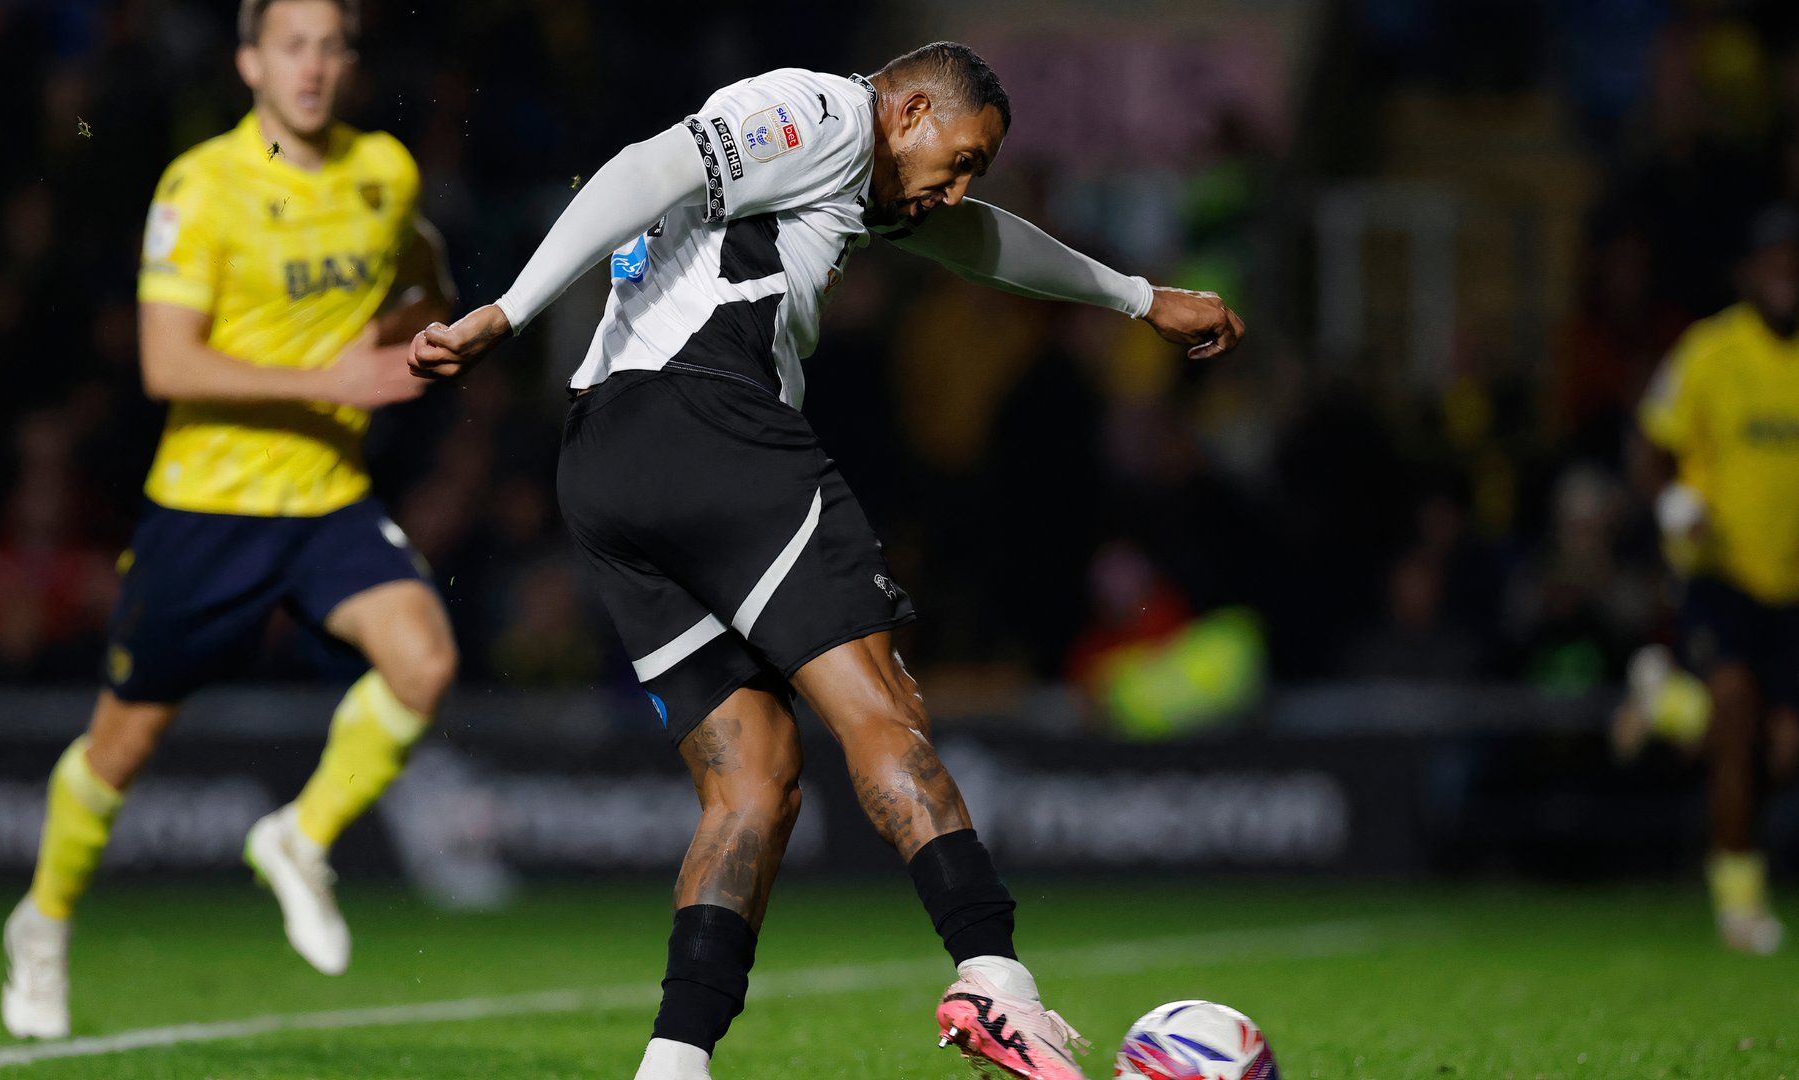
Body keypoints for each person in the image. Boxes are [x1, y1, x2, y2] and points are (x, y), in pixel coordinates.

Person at [412, 42, 1242, 1080]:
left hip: (607, 463)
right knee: (881, 707)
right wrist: (508, 310)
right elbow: (643, 168)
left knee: (752, 782)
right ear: (911, 112)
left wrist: (1133, 296)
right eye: (963, 154)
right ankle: (993, 977)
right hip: (710, 421)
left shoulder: (864, 180)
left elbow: (977, 243)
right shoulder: (827, 115)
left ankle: (674, 1063)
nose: (961, 185)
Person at [1, 0, 458, 1039]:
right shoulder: (200, 185)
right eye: (291, 45)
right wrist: (330, 374)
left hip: (328, 497)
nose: (312, 65)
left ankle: (300, 835)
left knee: (423, 663)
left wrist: (430, 334)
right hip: (207, 510)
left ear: (348, 62)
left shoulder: (383, 168)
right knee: (118, 752)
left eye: (331, 45)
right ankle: (43, 920)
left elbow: (421, 269)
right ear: (250, 62)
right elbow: (168, 362)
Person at [1637, 204, 1799, 955]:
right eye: (1771, 261)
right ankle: (1740, 898)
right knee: (1736, 709)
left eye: (1793, 261)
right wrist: (1676, 505)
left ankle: (1668, 704)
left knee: (1778, 748)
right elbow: (1651, 444)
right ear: (1746, 273)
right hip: (1720, 574)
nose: (1784, 275)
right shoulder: (1708, 353)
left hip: (1793, 586)